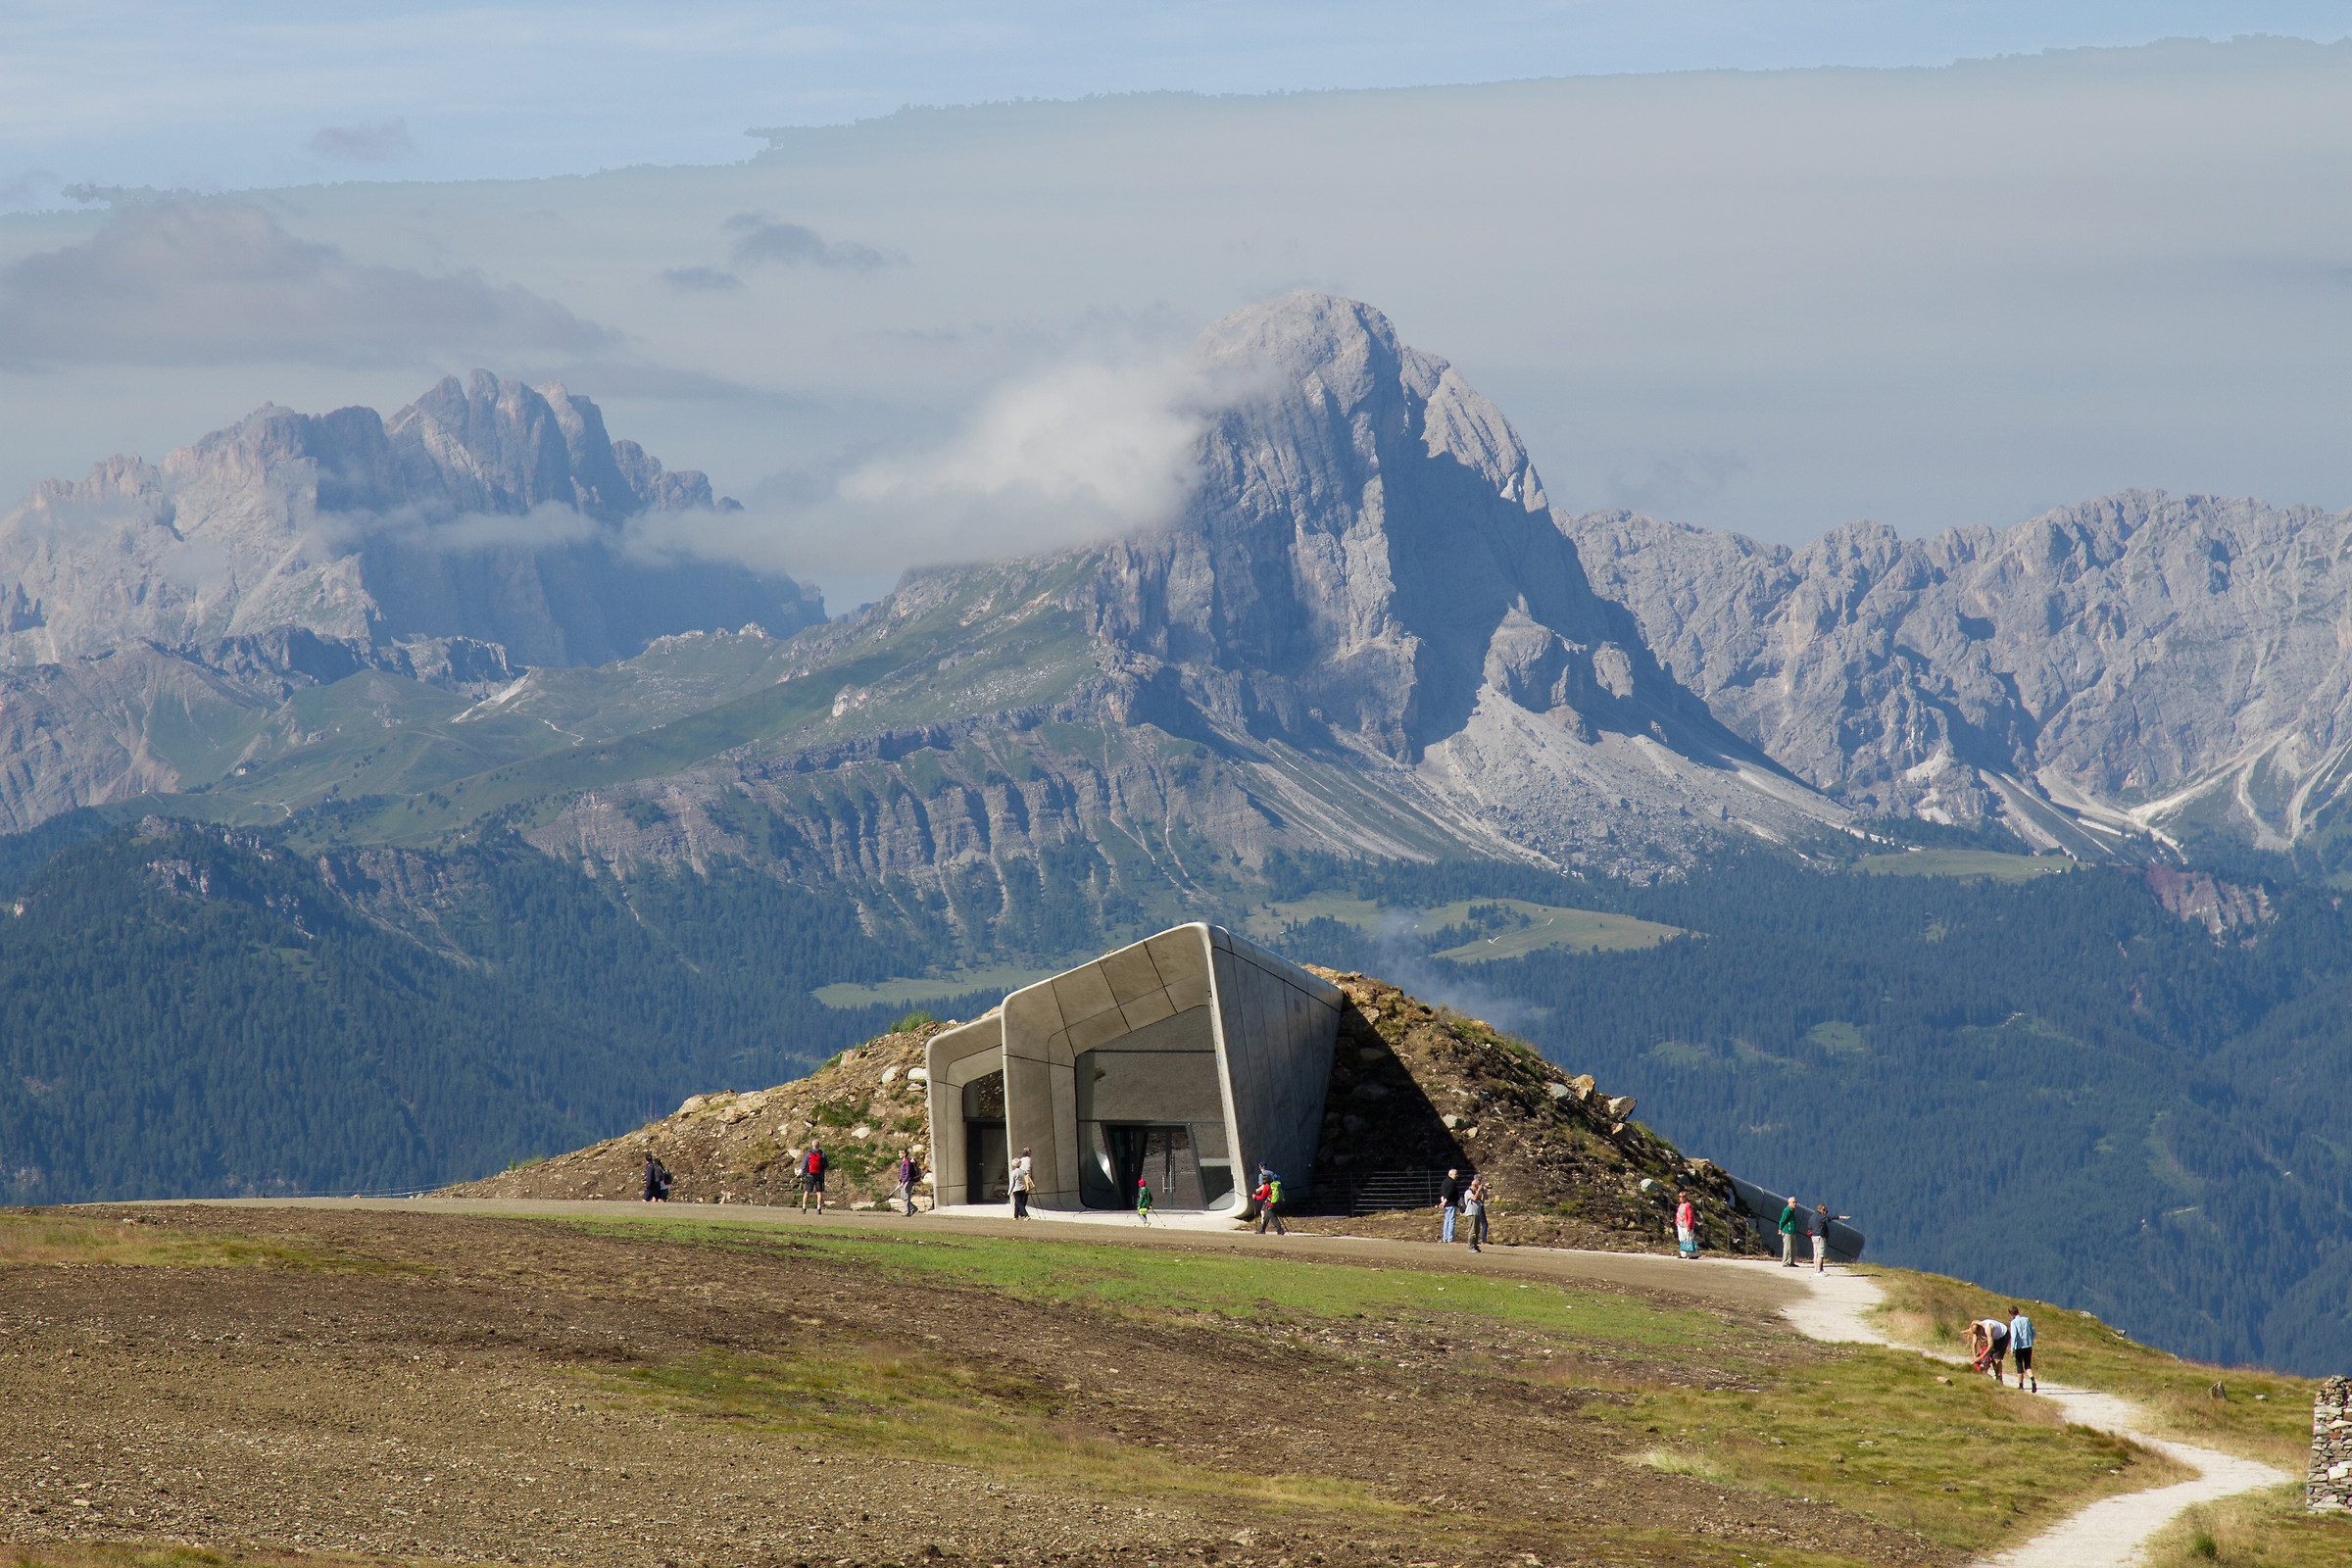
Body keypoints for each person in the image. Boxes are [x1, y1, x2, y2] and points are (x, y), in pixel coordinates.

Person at [1809, 1202, 1850, 1272]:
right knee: (1820, 1255)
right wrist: (1841, 1217)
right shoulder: (1820, 1216)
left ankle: (1816, 1270)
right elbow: (1830, 1217)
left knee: (1815, 1254)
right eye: (1825, 1211)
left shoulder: (1812, 1217)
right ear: (1821, 1209)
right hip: (1820, 1237)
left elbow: (1809, 1227)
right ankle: (1819, 1271)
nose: (1825, 1213)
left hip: (1814, 1237)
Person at [1971, 1314, 2012, 1383]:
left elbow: (1991, 1346)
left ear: (1981, 1329)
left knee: (1996, 1358)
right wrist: (1975, 1357)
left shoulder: (1988, 1328)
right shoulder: (1976, 1330)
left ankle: (1999, 1378)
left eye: (1978, 1334)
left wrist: (1980, 1357)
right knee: (1988, 1356)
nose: (1978, 1336)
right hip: (1994, 1337)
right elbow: (1973, 1344)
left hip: (2003, 1336)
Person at [2007, 1305, 2037, 1392]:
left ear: (2010, 1314)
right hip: (2028, 1345)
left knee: (2019, 1365)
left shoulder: (2013, 1322)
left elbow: (2014, 1336)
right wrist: (2030, 1340)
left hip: (2019, 1347)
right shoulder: (2026, 1319)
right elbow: (2033, 1332)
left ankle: (2021, 1385)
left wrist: (2012, 1348)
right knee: (2028, 1365)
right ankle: (2032, 1379)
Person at [1253, 1166, 1286, 1235]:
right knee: (1266, 1218)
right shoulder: (1271, 1185)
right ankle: (1261, 1230)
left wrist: (1255, 1197)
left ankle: (1280, 1231)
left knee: (1273, 1219)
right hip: (1272, 1204)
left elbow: (1262, 1197)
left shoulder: (1266, 1187)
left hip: (1269, 1205)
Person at [799, 1142, 827, 1213]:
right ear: (818, 1145)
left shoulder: (808, 1154)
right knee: (819, 1192)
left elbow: (804, 1165)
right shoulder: (822, 1154)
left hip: (810, 1175)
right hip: (819, 1175)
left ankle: (804, 1207)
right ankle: (819, 1208)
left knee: (807, 1192)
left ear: (812, 1145)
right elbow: (826, 1165)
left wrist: (802, 1175)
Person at [1465, 1174, 1490, 1252]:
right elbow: (1474, 1198)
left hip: (1477, 1213)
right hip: (1471, 1213)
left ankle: (1475, 1245)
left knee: (1477, 1230)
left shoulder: (1476, 1192)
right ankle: (1471, 1246)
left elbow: (1482, 1201)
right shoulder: (1468, 1192)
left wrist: (1482, 1192)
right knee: (1472, 1231)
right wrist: (1478, 1191)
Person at [1439, 1168, 1464, 1243]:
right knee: (1452, 1220)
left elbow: (1442, 1192)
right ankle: (1450, 1237)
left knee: (1446, 1220)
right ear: (1450, 1175)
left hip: (1446, 1204)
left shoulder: (1444, 1182)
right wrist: (1445, 1201)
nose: (1457, 1175)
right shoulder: (1452, 1183)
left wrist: (1443, 1201)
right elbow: (1450, 1193)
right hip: (1451, 1203)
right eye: (1455, 1174)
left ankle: (1445, 1237)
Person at [895, 1151, 922, 1216]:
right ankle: (913, 1208)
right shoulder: (902, 1162)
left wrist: (903, 1182)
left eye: (900, 1153)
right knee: (902, 1196)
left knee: (906, 1196)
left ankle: (907, 1212)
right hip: (903, 1181)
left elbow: (908, 1174)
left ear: (904, 1154)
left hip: (908, 1181)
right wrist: (900, 1180)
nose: (899, 1155)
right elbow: (902, 1173)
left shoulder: (907, 1162)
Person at [1674, 1190, 1698, 1259]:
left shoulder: (1688, 1205)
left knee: (1689, 1239)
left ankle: (1694, 1254)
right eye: (1680, 1197)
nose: (1681, 1198)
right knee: (1681, 1239)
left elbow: (1690, 1216)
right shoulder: (1680, 1205)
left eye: (1683, 1196)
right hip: (1680, 1224)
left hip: (1686, 1224)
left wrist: (1689, 1225)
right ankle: (1683, 1254)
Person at [1010, 1148, 1034, 1218]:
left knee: (1018, 1200)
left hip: (1020, 1181)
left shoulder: (1021, 1160)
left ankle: (1016, 1215)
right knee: (1023, 1198)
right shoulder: (1029, 1160)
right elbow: (1029, 1170)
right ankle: (1023, 1213)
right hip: (1025, 1179)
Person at [1778, 1197, 1801, 1266]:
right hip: (1787, 1231)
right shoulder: (1787, 1210)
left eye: (1795, 1202)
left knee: (1793, 1248)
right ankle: (1785, 1262)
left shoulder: (1792, 1210)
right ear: (1789, 1203)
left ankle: (1791, 1262)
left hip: (1792, 1231)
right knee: (1787, 1247)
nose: (1795, 1204)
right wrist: (1780, 1228)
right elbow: (1782, 1220)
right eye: (1793, 1202)